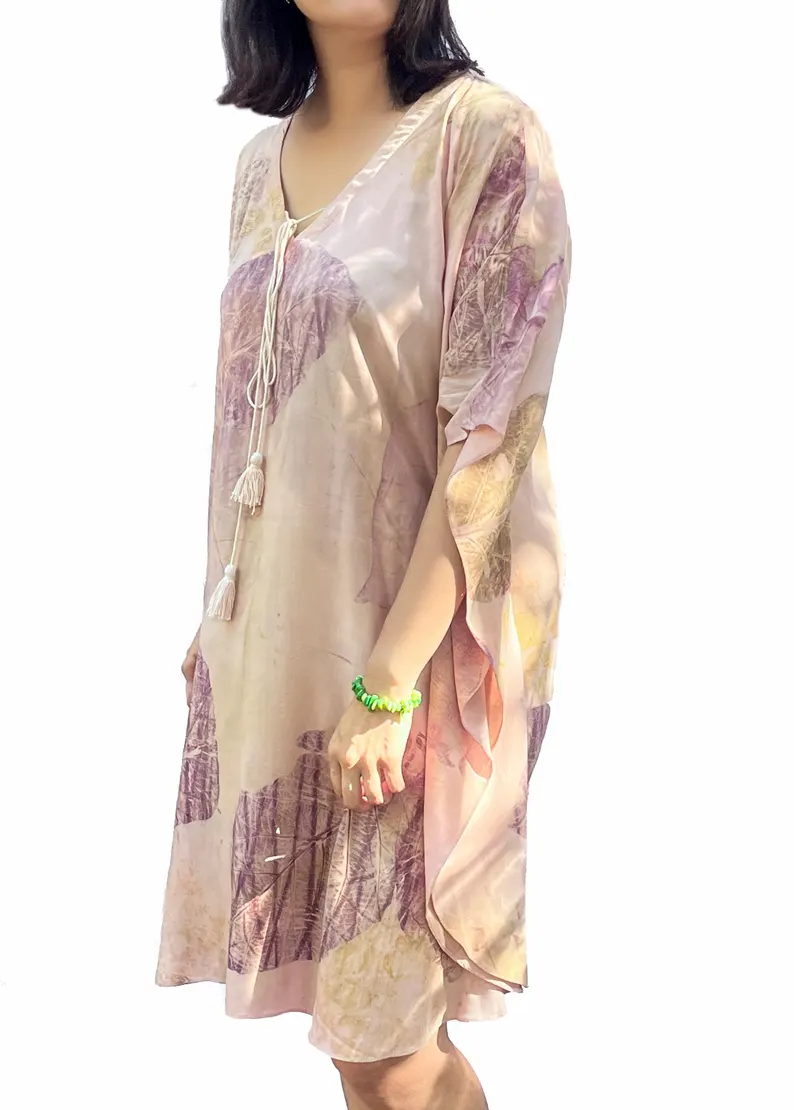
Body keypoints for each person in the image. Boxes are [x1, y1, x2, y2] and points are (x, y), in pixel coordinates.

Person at [156, 1, 572, 1107]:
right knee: (363, 1046)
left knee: (385, 1047)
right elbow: (256, 418)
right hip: (284, 638)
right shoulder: (256, 167)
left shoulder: (485, 137)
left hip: (421, 648)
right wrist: (219, 612)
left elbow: (491, 430)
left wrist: (387, 684)